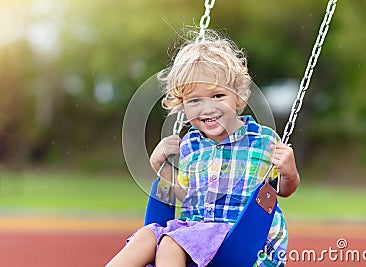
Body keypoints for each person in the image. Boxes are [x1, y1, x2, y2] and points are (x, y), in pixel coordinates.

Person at [106, 31, 300, 267]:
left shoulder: (263, 141)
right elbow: (189, 198)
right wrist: (160, 167)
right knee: (146, 235)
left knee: (170, 242)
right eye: (194, 101)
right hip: (195, 231)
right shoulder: (190, 145)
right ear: (182, 104)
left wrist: (289, 172)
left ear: (237, 97)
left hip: (243, 239)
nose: (207, 108)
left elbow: (281, 191)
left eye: (217, 95)